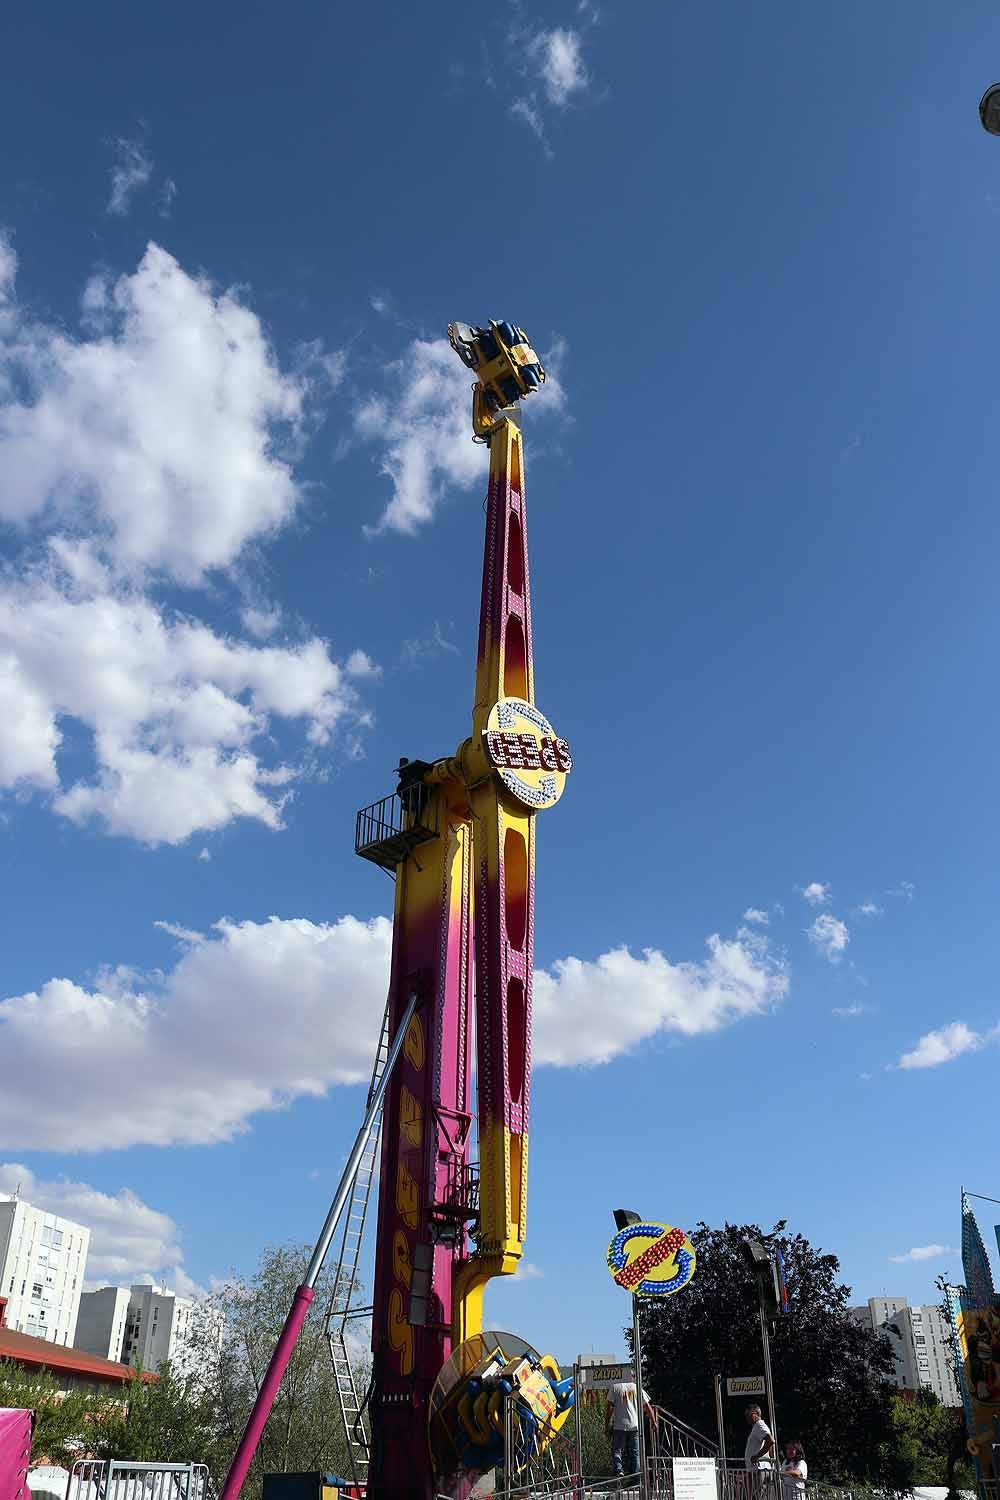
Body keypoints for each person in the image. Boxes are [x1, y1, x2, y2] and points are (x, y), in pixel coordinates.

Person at [604, 1379, 641, 1479]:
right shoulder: (636, 1387)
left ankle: (619, 1469)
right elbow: (647, 1405)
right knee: (635, 1453)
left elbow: (610, 1408)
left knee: (617, 1450)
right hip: (634, 1425)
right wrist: (654, 1422)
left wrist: (606, 1424)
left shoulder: (615, 1387)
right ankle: (636, 1477)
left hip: (619, 1425)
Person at [745, 1405, 775, 1500]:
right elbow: (771, 1445)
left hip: (759, 1469)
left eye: (748, 1414)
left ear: (755, 1414)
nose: (747, 1417)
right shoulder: (759, 1426)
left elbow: (771, 1441)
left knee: (758, 1496)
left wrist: (757, 1456)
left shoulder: (759, 1425)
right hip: (762, 1469)